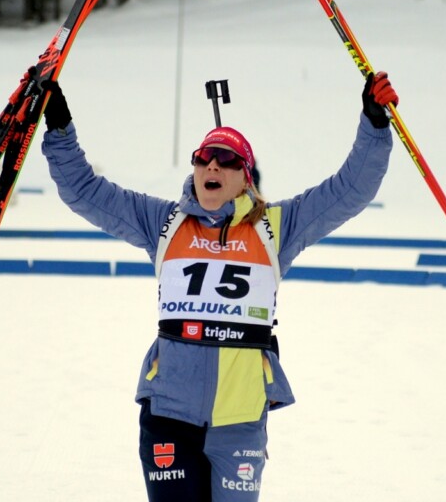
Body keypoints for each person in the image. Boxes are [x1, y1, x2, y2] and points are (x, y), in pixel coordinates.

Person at [41, 72, 398, 502]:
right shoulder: (164, 222)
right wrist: (58, 125)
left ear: (245, 177)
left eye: (227, 160)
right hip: (169, 413)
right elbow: (84, 190)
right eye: (204, 157)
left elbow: (350, 189)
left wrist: (374, 123)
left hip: (240, 421)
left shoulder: (276, 227)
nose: (212, 165)